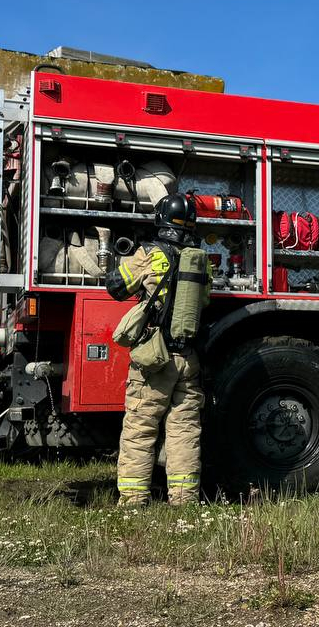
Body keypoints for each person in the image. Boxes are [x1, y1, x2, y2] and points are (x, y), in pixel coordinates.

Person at [107, 194, 212, 507]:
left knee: (140, 428)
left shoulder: (150, 253)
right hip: (187, 358)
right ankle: (184, 499)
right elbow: (204, 300)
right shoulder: (200, 259)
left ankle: (134, 499)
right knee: (184, 431)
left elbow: (116, 286)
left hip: (154, 358)